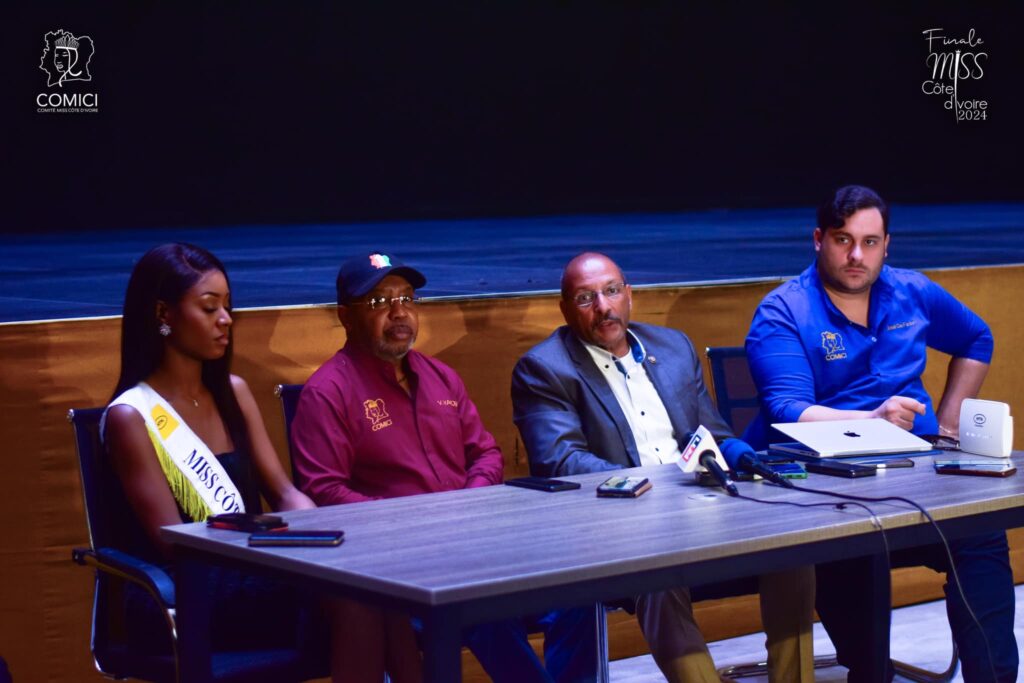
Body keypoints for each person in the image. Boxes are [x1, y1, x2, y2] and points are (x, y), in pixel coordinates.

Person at [744, 185, 1017, 682]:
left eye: (870, 243)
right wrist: (873, 419)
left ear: (887, 245)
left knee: (980, 534)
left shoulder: (912, 291)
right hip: (828, 486)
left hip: (921, 474)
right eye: (843, 240)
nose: (856, 255)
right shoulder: (783, 310)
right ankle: (872, 675)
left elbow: (978, 337)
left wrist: (950, 421)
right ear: (818, 240)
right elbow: (787, 411)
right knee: (851, 547)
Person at [290, 252, 600, 683]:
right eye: (380, 303)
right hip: (402, 561)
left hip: (474, 540)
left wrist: (467, 503)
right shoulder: (328, 392)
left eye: (407, 299)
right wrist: (415, 523)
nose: (399, 313)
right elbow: (325, 491)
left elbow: (487, 454)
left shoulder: (441, 377)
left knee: (579, 587)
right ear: (346, 316)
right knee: (479, 608)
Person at [511, 252, 815, 683]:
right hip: (622, 525)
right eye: (586, 298)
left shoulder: (672, 347)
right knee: (656, 575)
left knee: (791, 549)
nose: (603, 307)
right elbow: (562, 461)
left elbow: (712, 432)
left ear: (629, 295)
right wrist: (661, 484)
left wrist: (739, 453)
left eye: (612, 291)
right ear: (564, 309)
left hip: (703, 507)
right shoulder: (545, 369)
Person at [102, 243, 321, 661]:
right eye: (208, 308)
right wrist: (274, 546)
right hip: (184, 590)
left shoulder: (233, 392)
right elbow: (173, 544)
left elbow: (285, 493)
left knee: (368, 589)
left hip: (253, 571)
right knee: (349, 599)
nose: (226, 320)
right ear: (163, 314)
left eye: (227, 306)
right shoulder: (132, 417)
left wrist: (322, 533)